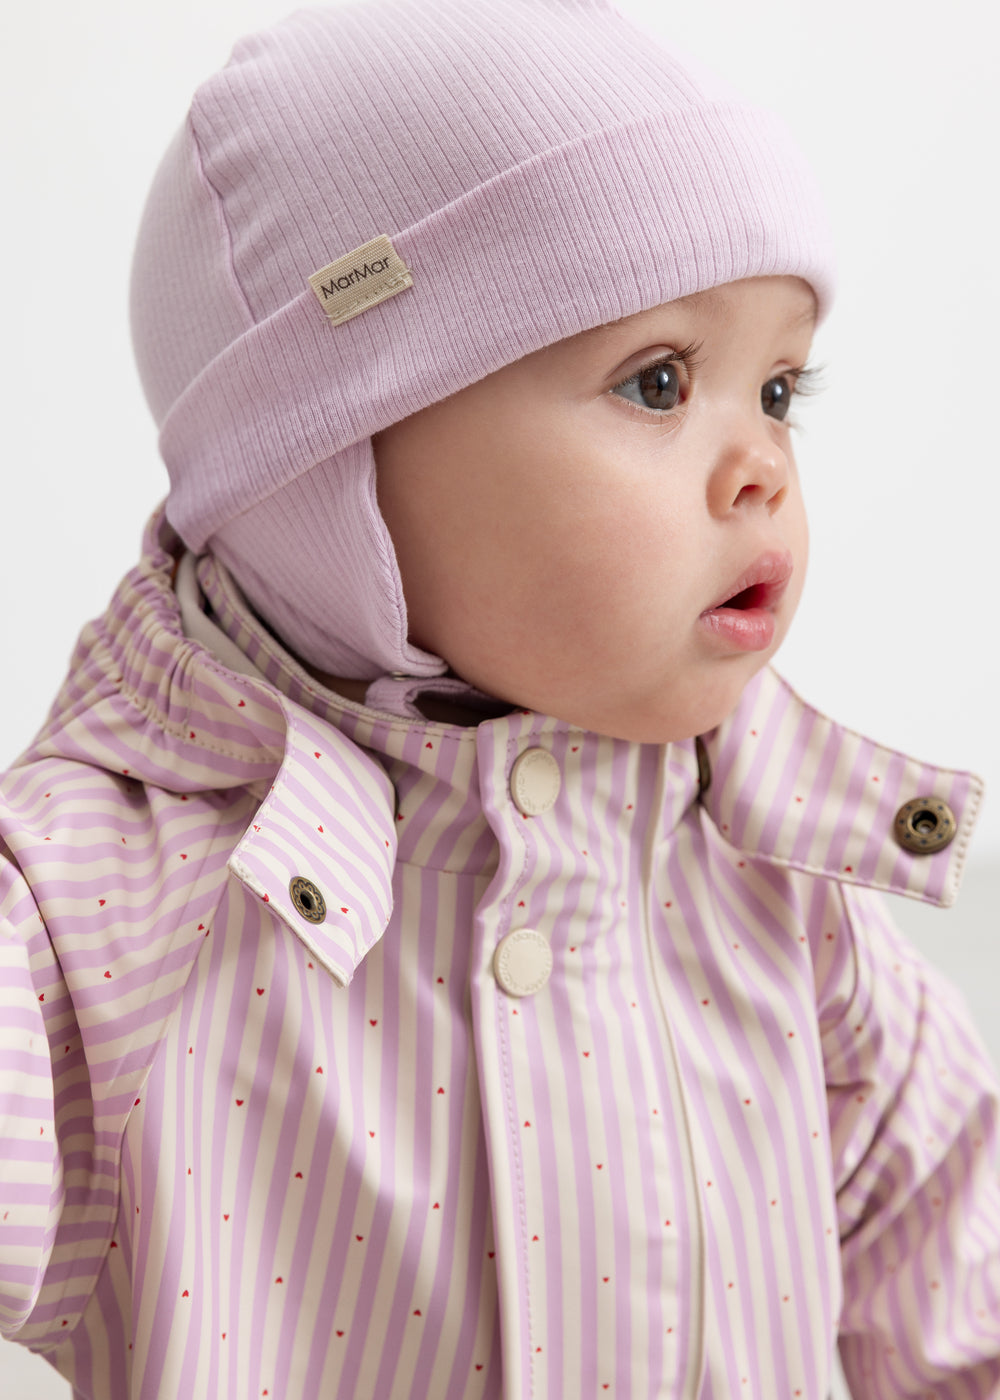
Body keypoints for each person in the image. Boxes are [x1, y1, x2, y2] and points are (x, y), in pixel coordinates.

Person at [1, 1, 998, 1395]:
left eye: (781, 387)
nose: (763, 464)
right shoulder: (101, 914)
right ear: (331, 469)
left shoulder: (788, 902)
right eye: (660, 381)